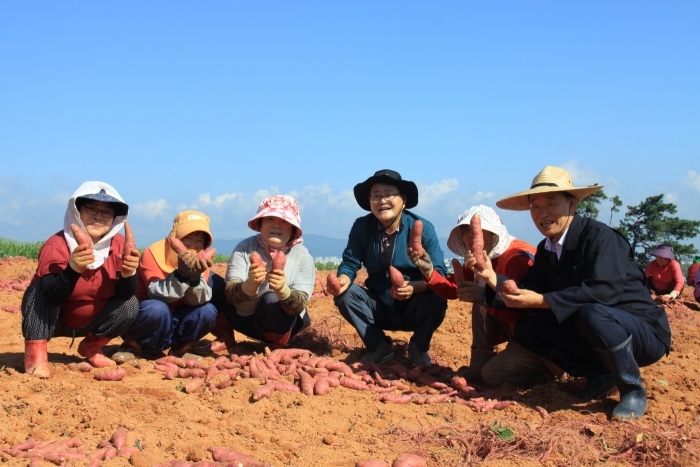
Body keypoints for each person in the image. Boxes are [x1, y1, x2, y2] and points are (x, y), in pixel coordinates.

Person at [470, 166, 671, 420]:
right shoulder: (547, 249)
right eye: (535, 206)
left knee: (593, 313)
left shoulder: (601, 238)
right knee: (528, 328)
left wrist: (543, 300)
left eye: (551, 203)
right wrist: (491, 278)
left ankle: (632, 389)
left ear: (572, 205)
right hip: (592, 330)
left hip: (641, 333)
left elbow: (604, 292)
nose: (543, 213)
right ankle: (600, 375)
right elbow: (528, 291)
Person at [410, 205, 558, 385]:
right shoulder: (479, 259)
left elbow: (526, 313)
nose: (470, 236)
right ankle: (478, 363)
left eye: (477, 231)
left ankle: (543, 372)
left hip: (536, 337)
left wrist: (484, 297)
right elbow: (454, 289)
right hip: (515, 327)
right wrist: (429, 272)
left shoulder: (515, 259)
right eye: (465, 231)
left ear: (494, 233)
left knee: (491, 375)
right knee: (479, 297)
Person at [21, 182, 140, 377]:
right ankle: (36, 355)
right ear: (77, 212)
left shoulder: (119, 246)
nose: (99, 216)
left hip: (92, 320)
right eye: (91, 209)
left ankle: (92, 347)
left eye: (106, 212)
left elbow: (124, 295)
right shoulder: (56, 245)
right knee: (36, 292)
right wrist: (72, 269)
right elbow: (51, 295)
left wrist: (129, 274)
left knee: (131, 304)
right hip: (54, 319)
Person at [330, 169, 448, 366]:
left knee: (437, 295)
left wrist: (414, 287)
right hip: (378, 306)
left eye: (388, 194)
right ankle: (378, 346)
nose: (382, 200)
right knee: (345, 294)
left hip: (413, 306)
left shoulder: (423, 228)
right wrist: (341, 280)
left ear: (403, 199)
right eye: (376, 195)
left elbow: (440, 275)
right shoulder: (361, 227)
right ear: (369, 201)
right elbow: (351, 263)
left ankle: (419, 347)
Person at [112, 211, 217, 362]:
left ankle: (182, 348)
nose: (192, 245)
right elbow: (156, 294)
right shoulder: (153, 253)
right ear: (175, 236)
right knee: (157, 308)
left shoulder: (202, 260)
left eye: (199, 240)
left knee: (207, 311)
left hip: (179, 320)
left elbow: (197, 301)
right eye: (187, 238)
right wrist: (181, 274)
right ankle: (133, 345)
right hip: (148, 320)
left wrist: (194, 277)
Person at [216, 195, 315, 348]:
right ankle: (225, 336)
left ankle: (277, 344)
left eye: (284, 221)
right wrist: (248, 285)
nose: (277, 225)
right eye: (270, 219)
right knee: (212, 282)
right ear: (260, 224)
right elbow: (229, 294)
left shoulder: (303, 256)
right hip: (242, 319)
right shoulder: (244, 248)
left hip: (279, 324)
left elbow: (299, 305)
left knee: (273, 298)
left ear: (293, 228)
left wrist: (284, 291)